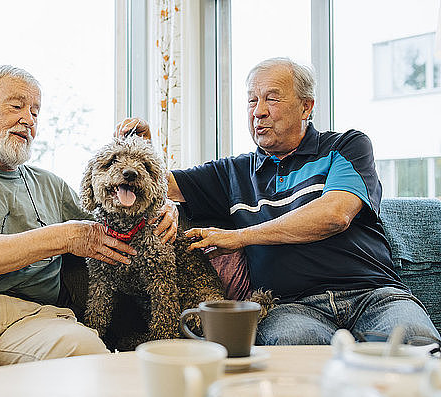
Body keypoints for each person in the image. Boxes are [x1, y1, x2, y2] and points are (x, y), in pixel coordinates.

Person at [0, 65, 176, 393]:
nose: (29, 119)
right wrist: (64, 236)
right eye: (17, 106)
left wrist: (160, 202)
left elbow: (118, 216)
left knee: (87, 356)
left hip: (33, 318)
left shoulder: (51, 186)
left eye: (36, 111)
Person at [168, 57, 440, 345]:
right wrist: (139, 146)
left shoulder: (346, 146)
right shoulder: (232, 173)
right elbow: (158, 184)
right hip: (292, 306)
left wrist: (240, 237)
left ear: (306, 107)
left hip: (374, 295)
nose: (258, 112)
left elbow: (336, 214)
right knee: (295, 358)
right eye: (251, 101)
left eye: (272, 99)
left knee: (417, 346)